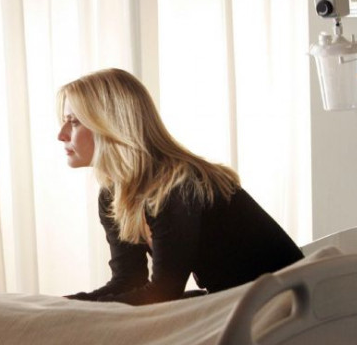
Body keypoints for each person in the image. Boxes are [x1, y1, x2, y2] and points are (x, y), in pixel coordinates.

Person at [56, 68, 304, 305]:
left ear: (110, 124)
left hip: (285, 306)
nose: (61, 134)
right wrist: (68, 305)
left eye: (74, 122)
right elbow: (128, 281)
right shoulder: (113, 195)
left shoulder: (176, 187)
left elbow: (164, 294)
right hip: (235, 301)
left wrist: (82, 310)